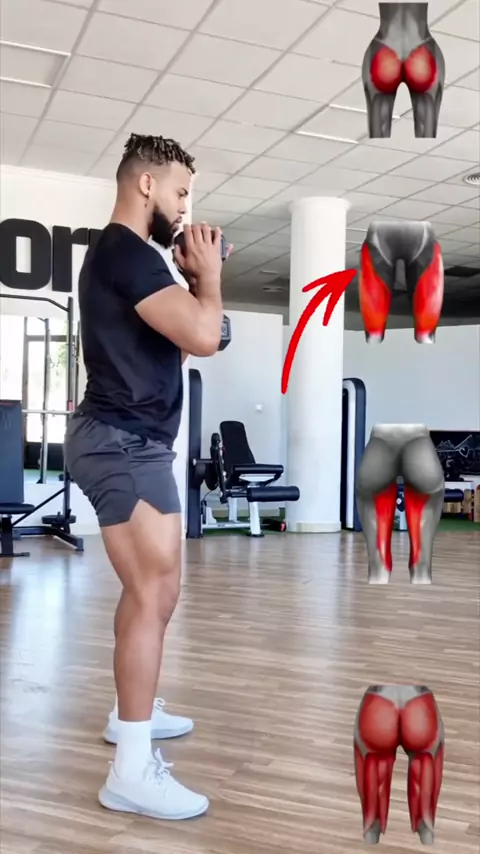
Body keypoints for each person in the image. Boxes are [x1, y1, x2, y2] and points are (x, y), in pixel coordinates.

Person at [65, 133, 228, 821]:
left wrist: (195, 291)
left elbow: (192, 340)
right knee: (153, 587)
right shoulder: (127, 253)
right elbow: (205, 335)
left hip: (131, 441)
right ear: (146, 185)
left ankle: (129, 711)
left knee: (153, 594)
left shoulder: (130, 258)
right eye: (181, 192)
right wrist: (209, 280)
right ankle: (130, 772)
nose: (186, 207)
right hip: (122, 443)